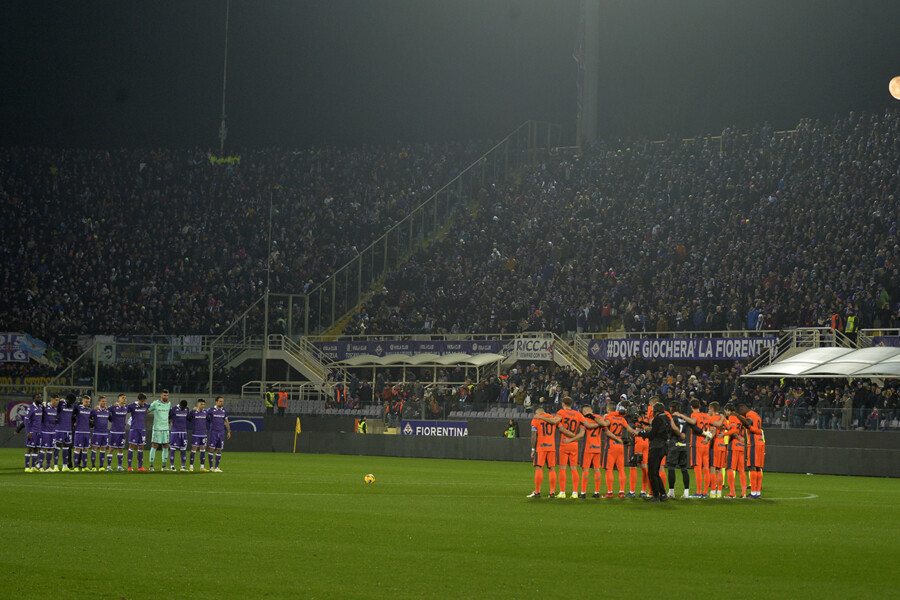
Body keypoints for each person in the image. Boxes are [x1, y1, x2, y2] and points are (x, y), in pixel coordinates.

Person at [637, 400, 684, 502]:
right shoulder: (667, 418)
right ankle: (663, 494)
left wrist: (639, 434)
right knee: (656, 472)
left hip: (656, 447)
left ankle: (656, 495)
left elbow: (652, 434)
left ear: (656, 411)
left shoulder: (658, 419)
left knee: (651, 472)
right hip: (664, 447)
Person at [674, 398, 714, 498]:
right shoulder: (706, 415)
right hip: (706, 444)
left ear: (691, 407)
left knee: (697, 469)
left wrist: (682, 415)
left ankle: (699, 492)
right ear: (700, 406)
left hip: (697, 444)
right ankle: (705, 492)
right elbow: (713, 429)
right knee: (706, 468)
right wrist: (708, 438)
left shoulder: (694, 415)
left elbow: (692, 422)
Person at [526, 407, 566, 498]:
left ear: (537, 412)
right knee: (551, 469)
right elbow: (562, 429)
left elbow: (533, 435)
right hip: (552, 447)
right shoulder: (553, 417)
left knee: (539, 468)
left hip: (541, 447)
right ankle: (552, 492)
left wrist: (533, 449)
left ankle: (537, 492)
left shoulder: (536, 419)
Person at [601, 400, 635, 498]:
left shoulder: (608, 417)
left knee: (609, 470)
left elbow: (606, 430)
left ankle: (610, 492)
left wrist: (616, 439)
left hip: (611, 445)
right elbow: (630, 430)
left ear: (608, 409)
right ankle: (621, 492)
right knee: (621, 470)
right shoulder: (622, 419)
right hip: (620, 447)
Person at [556, 396, 587, 498]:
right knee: (574, 469)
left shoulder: (561, 412)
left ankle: (562, 492)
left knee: (562, 469)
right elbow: (586, 424)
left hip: (564, 442)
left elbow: (558, 425)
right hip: (574, 444)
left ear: (563, 404)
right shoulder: (578, 414)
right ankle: (575, 493)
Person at [576, 405, 610, 498]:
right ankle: (597, 492)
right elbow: (605, 425)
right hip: (597, 447)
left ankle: (583, 493)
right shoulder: (599, 418)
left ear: (584, 410)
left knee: (585, 470)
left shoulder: (584, 420)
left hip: (587, 447)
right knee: (597, 470)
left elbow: (582, 433)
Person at [736, 402, 765, 498]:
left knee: (752, 466)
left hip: (754, 443)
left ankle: (753, 493)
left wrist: (738, 417)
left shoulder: (749, 415)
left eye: (740, 413)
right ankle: (757, 493)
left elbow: (748, 422)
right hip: (760, 442)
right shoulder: (756, 414)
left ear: (742, 409)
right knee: (758, 468)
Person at [666, 400, 692, 499]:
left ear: (672, 408)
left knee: (671, 468)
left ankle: (671, 492)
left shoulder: (671, 418)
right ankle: (686, 492)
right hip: (683, 445)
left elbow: (671, 429)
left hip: (674, 444)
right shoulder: (684, 419)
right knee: (684, 469)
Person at [723, 403, 748, 498]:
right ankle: (744, 493)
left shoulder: (732, 418)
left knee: (729, 468)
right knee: (741, 470)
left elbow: (734, 431)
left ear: (728, 410)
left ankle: (732, 493)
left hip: (733, 446)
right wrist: (741, 439)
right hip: (741, 446)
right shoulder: (741, 418)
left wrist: (724, 434)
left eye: (726, 411)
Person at [147, 390, 171, 471]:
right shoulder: (155, 403)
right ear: (161, 395)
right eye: (164, 395)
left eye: (167, 395)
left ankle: (164, 466)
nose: (166, 397)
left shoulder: (169, 404)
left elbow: (169, 414)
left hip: (166, 428)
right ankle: (151, 466)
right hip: (157, 428)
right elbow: (147, 411)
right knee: (154, 445)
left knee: (166, 446)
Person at [18, 394, 43, 472]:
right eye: (38, 398)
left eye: (40, 397)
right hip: (32, 432)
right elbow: (26, 420)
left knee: (36, 449)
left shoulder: (40, 407)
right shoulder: (30, 408)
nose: (40, 399)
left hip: (38, 432)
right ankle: (27, 467)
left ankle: (33, 467)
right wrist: (28, 431)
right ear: (34, 399)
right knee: (29, 449)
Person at [206, 396, 231, 472]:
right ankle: (211, 467)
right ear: (216, 402)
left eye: (222, 401)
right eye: (220, 401)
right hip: (213, 432)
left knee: (219, 450)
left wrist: (229, 431)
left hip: (221, 432)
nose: (221, 403)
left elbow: (226, 421)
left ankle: (216, 467)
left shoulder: (224, 411)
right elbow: (205, 416)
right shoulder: (211, 410)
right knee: (211, 449)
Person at [126, 393, 149, 471]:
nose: (143, 403)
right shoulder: (132, 406)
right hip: (134, 429)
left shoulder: (145, 406)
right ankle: (129, 466)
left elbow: (152, 407)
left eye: (144, 401)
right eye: (142, 401)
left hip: (142, 430)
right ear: (138, 399)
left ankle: (140, 467)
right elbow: (123, 409)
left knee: (141, 447)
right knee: (132, 446)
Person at [107, 394, 129, 471]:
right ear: (118, 399)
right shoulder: (114, 407)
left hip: (122, 432)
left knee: (121, 449)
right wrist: (112, 405)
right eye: (122, 398)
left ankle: (119, 466)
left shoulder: (126, 407)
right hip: (114, 432)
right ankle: (108, 466)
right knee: (111, 449)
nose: (124, 399)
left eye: (125, 398)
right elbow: (106, 409)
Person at [55, 394, 76, 471]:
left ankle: (64, 466)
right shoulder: (60, 404)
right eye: (69, 402)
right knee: (57, 446)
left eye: (72, 403)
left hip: (69, 429)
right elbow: (54, 408)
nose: (70, 404)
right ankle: (55, 466)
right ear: (66, 400)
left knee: (66, 448)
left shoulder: (73, 406)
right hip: (60, 429)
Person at [39, 395, 61, 471]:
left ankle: (48, 467)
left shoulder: (55, 408)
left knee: (51, 449)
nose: (57, 402)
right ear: (52, 399)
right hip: (45, 431)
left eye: (58, 400)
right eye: (56, 400)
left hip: (53, 432)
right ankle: (41, 466)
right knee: (43, 448)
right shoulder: (44, 407)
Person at [72, 395, 93, 471]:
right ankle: (76, 466)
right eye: (86, 401)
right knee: (77, 449)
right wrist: (74, 422)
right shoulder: (78, 408)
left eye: (88, 402)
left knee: (85, 449)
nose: (87, 403)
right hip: (79, 432)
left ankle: (84, 466)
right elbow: (71, 411)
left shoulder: (89, 410)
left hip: (87, 432)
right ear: (82, 401)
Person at [89, 396, 110, 471]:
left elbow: (111, 419)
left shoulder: (107, 411)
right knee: (94, 449)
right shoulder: (95, 411)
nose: (104, 403)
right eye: (102, 401)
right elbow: (89, 417)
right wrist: (92, 411)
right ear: (99, 402)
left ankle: (101, 466)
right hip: (97, 433)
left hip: (104, 433)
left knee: (103, 449)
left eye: (105, 401)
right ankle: (93, 466)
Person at [188, 399, 209, 472]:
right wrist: (191, 411)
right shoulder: (194, 412)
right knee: (193, 450)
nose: (202, 406)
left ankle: (202, 467)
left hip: (203, 434)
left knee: (203, 450)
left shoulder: (206, 412)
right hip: (196, 434)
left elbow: (209, 420)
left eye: (204, 404)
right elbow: (188, 418)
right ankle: (191, 467)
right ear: (198, 404)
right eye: (201, 404)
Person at [169, 400, 190, 471]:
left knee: (183, 450)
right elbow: (169, 416)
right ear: (180, 405)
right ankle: (172, 466)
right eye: (182, 407)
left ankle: (183, 467)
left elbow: (189, 418)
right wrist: (171, 421)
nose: (183, 408)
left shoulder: (187, 409)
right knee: (173, 449)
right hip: (175, 432)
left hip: (184, 432)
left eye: (184, 407)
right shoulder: (174, 409)